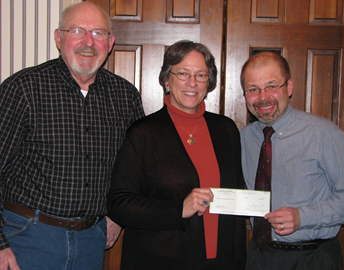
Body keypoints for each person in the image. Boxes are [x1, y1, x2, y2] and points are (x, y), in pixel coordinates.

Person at [0, 2, 144, 270]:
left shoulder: (125, 96)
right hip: (27, 237)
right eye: (77, 30)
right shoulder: (23, 89)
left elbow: (136, 169)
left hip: (93, 240)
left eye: (98, 33)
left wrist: (118, 215)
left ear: (110, 42)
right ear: (59, 37)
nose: (88, 42)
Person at [107, 40, 247, 270]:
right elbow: (119, 204)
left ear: (209, 82)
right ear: (166, 80)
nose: (192, 82)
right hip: (161, 261)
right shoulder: (143, 132)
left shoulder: (226, 130)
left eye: (201, 75)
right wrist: (178, 209)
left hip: (220, 262)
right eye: (183, 73)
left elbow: (235, 198)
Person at [240, 51, 344, 270]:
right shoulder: (244, 138)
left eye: (272, 86)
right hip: (259, 257)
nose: (262, 97)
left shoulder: (324, 134)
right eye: (253, 89)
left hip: (312, 258)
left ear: (290, 87)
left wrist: (303, 216)